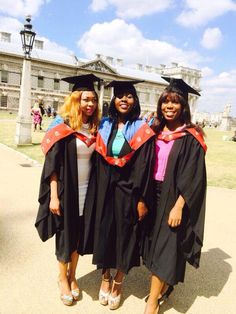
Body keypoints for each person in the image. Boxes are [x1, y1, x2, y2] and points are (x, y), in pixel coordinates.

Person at [83, 80, 155, 310]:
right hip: (105, 188)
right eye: (120, 96)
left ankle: (119, 280)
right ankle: (105, 276)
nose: (124, 99)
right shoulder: (104, 124)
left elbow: (145, 166)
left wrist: (142, 199)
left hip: (129, 190)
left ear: (135, 101)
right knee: (103, 231)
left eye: (129, 96)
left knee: (126, 234)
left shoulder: (142, 129)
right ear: (113, 100)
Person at [35, 74, 101, 306]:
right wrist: (54, 196)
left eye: (93, 99)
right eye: (85, 99)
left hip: (87, 192)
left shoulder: (94, 128)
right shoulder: (64, 127)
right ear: (76, 100)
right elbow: (53, 165)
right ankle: (62, 278)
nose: (90, 104)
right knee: (65, 236)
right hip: (66, 191)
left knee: (79, 236)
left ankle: (73, 275)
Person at [142, 77, 207, 314]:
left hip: (175, 197)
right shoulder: (155, 131)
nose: (169, 107)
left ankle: (152, 302)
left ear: (183, 106)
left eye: (174, 102)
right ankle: (164, 284)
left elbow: (194, 176)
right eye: (165, 102)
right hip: (153, 194)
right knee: (154, 243)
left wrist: (179, 205)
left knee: (166, 245)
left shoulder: (191, 137)